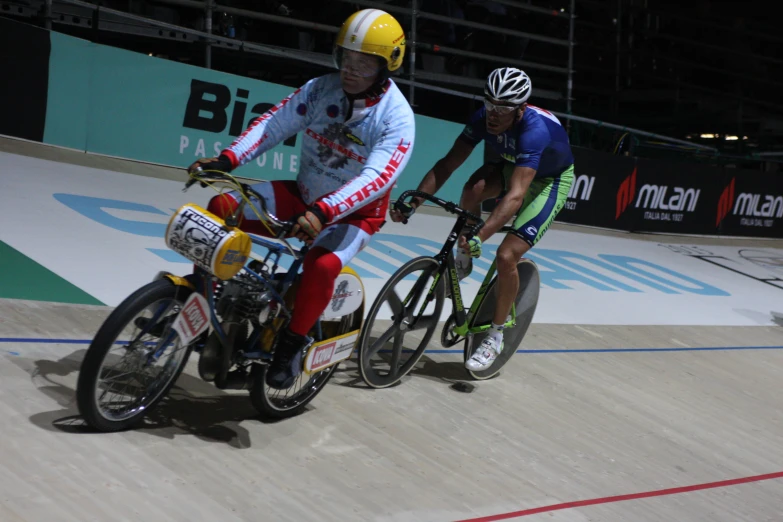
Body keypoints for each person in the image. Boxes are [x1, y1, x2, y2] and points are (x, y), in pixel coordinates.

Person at [187, 8, 415, 390]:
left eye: (364, 63)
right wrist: (227, 159)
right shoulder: (319, 89)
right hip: (304, 195)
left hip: (352, 216)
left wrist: (325, 211)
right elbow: (274, 125)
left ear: (386, 66)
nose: (351, 69)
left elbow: (376, 177)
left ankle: (291, 345)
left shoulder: (397, 118)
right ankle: (198, 305)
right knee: (221, 208)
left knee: (322, 266)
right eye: (346, 57)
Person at [391, 67, 574, 372]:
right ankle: (463, 260)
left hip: (550, 182)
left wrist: (482, 235)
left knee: (506, 256)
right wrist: (414, 202)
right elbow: (447, 164)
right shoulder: (482, 119)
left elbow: (516, 196)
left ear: (519, 110)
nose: (493, 114)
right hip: (512, 167)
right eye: (489, 104)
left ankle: (495, 336)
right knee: (472, 190)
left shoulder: (534, 131)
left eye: (502, 109)